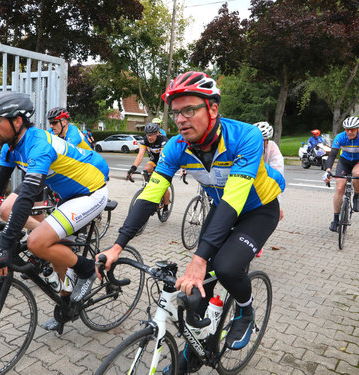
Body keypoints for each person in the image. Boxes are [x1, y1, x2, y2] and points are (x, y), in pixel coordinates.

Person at [97, 71, 285, 374]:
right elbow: (150, 196)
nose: (181, 119)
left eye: (189, 110)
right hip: (222, 205)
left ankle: (246, 312)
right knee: (195, 288)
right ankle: (198, 346)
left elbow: (235, 201)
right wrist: (118, 245)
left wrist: (199, 259)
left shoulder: (244, 136)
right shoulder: (175, 147)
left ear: (212, 109)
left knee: (224, 266)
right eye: (176, 113)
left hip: (257, 210)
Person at [0, 91, 109, 333]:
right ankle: (66, 305)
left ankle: (88, 269)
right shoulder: (11, 147)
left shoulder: (39, 145)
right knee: (54, 251)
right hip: (69, 196)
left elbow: (27, 195)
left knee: (38, 243)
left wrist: (4, 245)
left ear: (17, 121)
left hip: (91, 191)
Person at [323, 116, 359, 232]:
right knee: (339, 189)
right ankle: (336, 219)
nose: (349, 132)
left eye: (352, 129)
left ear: (357, 129)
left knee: (356, 173)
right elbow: (332, 155)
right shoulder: (340, 137)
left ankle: (357, 196)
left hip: (358, 162)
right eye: (347, 129)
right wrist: (328, 170)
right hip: (344, 162)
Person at [127, 122, 170, 213]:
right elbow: (140, 155)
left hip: (166, 162)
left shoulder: (163, 140)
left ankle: (166, 207)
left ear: (157, 133)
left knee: (162, 185)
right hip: (155, 160)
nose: (149, 137)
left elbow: (162, 157)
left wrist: (158, 174)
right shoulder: (145, 140)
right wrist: (133, 168)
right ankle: (148, 184)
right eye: (147, 135)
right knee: (146, 169)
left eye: (152, 135)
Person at [253, 121, 285, 221]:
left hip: (265, 184)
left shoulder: (272, 148)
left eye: (263, 141)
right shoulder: (247, 146)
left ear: (267, 141)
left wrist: (277, 205)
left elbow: (277, 176)